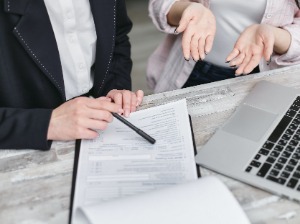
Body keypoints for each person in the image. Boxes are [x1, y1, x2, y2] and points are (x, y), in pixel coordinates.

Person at [0, 0, 144, 150]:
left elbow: (117, 35)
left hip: (96, 136)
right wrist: (47, 124)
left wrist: (114, 88)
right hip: (23, 152)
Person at [147, 0, 300, 93]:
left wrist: (273, 35)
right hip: (195, 70)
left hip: (267, 76)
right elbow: (160, 4)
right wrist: (187, 9)